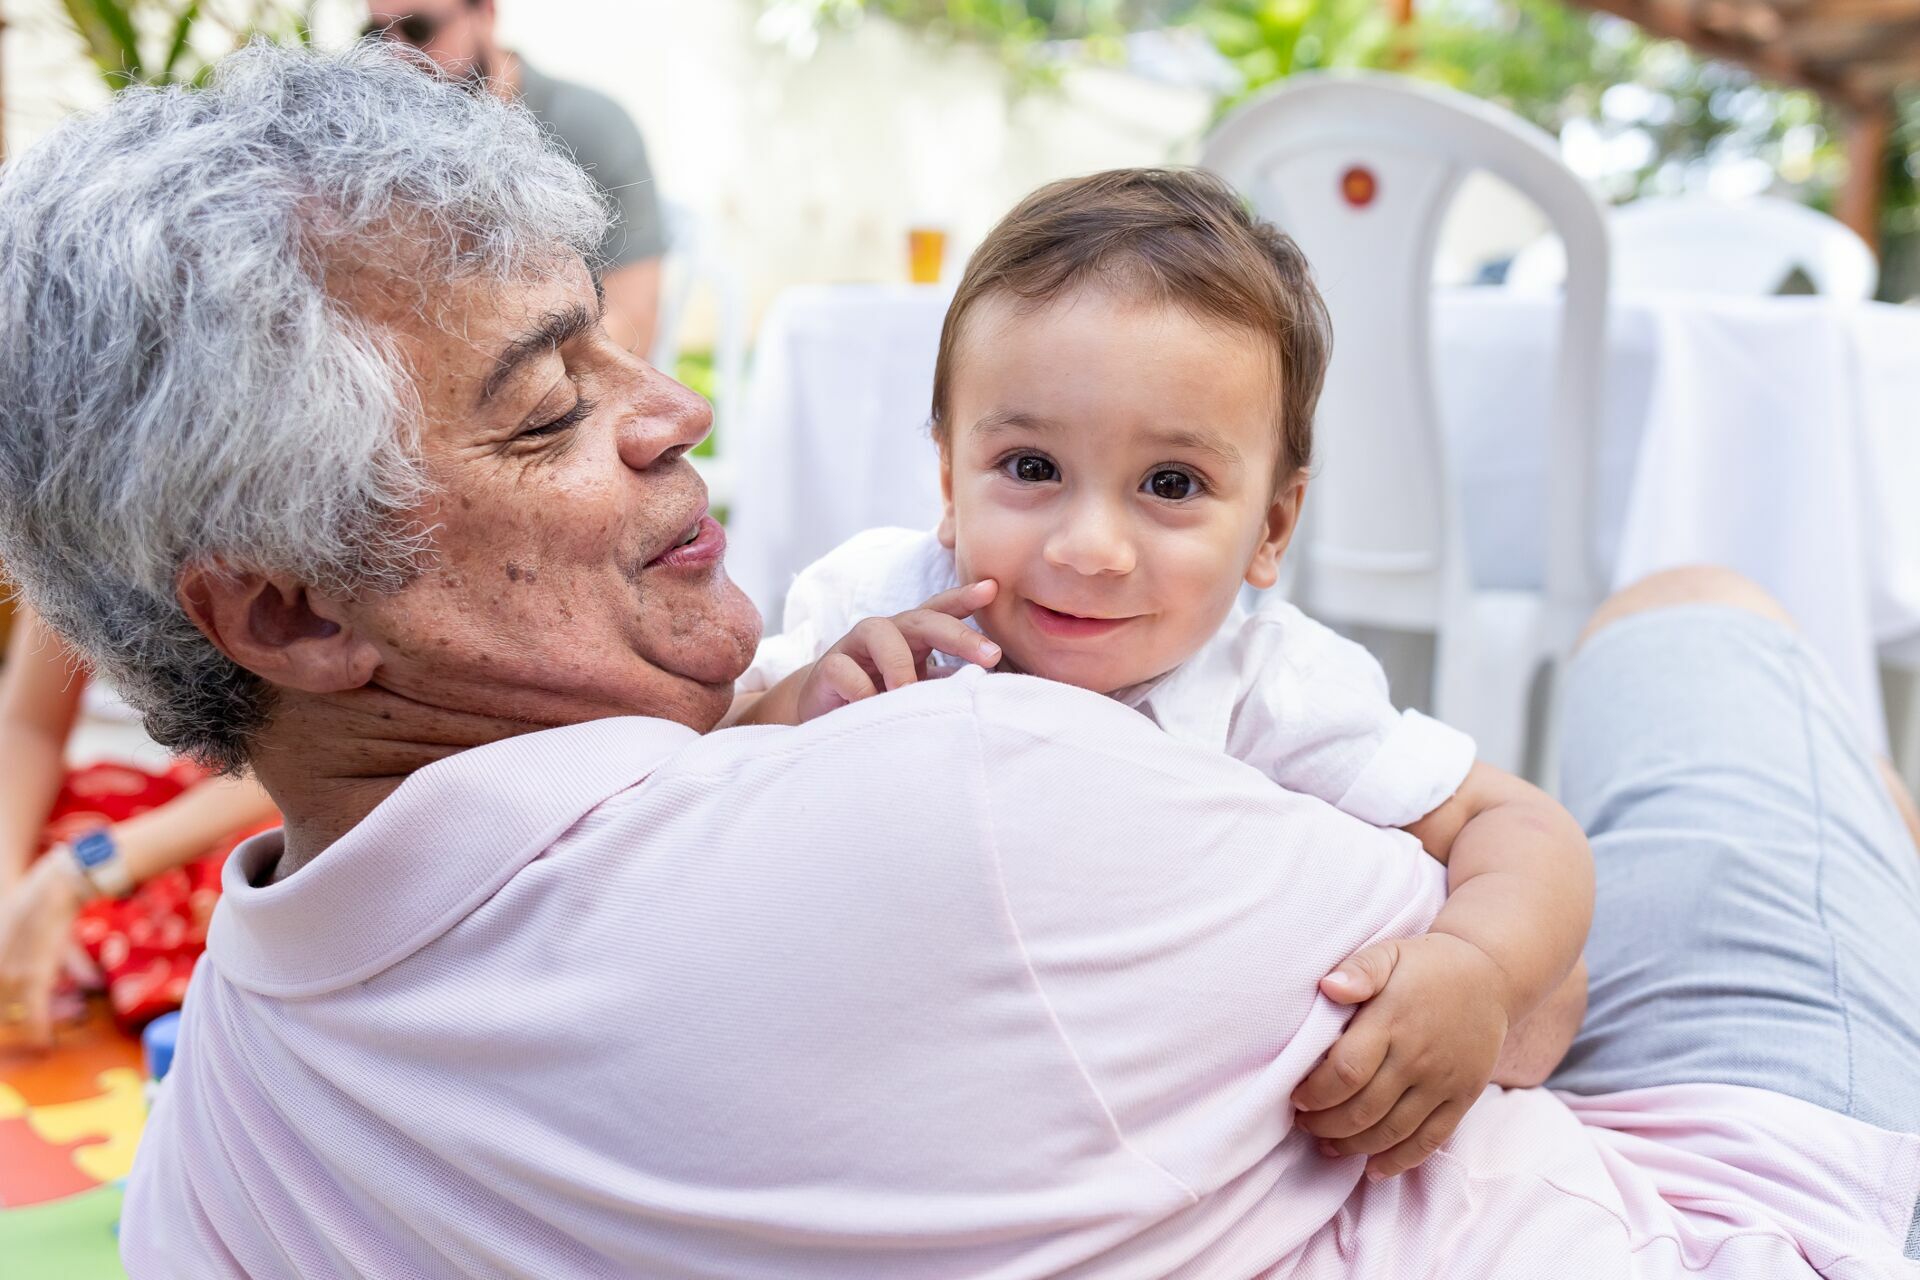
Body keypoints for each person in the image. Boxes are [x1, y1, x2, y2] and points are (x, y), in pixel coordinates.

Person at [0, 42, 1914, 1277]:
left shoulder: (220, 1152)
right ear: (297, 612)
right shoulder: (972, 788)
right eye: (547, 408)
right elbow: (1538, 1007)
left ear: (1274, 517)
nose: (669, 414)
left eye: (609, 345)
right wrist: (1496, 968)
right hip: (1733, 1219)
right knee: (1703, 618)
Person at [735, 168, 1593, 1180]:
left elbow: (1522, 824)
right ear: (948, 482)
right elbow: (703, 773)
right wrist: (802, 705)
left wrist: (1480, 970)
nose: (1091, 544)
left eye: (1171, 484)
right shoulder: (877, 602)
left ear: (1271, 526)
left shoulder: (1265, 683)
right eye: (1030, 466)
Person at [0, 606, 278, 1044]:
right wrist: (11, 894)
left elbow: (323, 753)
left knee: (262, 877)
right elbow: (30, 727)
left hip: (277, 796)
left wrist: (79, 872)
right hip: (157, 805)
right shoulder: (63, 538)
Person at [365, 0, 668, 354]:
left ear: (486, 14)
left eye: (419, 29)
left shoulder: (592, 127)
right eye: (375, 36)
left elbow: (632, 326)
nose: (397, 56)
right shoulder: (391, 141)